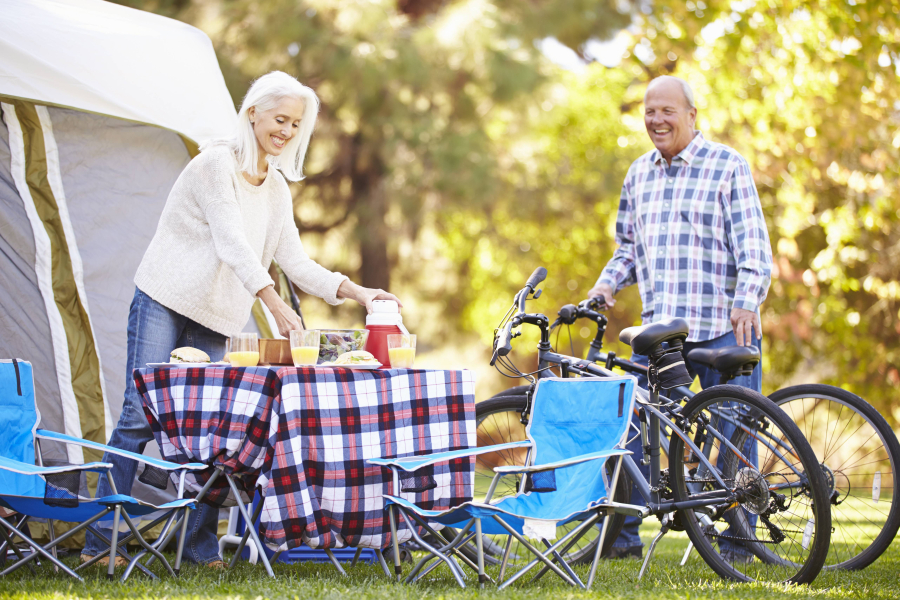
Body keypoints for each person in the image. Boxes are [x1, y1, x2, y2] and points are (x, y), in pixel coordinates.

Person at [81, 71, 402, 568]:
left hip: (216, 313)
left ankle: (198, 546)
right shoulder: (214, 165)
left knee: (213, 432)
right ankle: (100, 544)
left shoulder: (275, 189)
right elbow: (231, 242)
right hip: (165, 297)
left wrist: (358, 292)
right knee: (138, 416)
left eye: (296, 124)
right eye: (280, 119)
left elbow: (295, 263)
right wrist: (276, 306)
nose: (287, 131)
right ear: (252, 112)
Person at [589, 75, 772, 561]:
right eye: (650, 111)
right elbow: (627, 247)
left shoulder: (726, 165)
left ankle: (739, 542)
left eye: (667, 110)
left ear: (692, 115)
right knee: (628, 428)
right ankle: (620, 538)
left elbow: (754, 248)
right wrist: (606, 284)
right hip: (659, 335)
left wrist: (747, 300)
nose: (656, 119)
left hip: (719, 329)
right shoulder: (638, 174)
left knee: (736, 439)